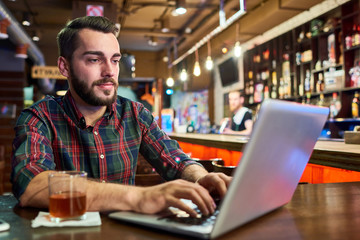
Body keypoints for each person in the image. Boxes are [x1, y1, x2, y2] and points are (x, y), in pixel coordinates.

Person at [11, 16, 231, 217]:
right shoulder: (39, 117)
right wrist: (139, 197)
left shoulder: (136, 114)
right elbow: (32, 186)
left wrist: (201, 177)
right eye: (94, 60)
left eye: (115, 60)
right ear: (64, 66)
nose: (109, 71)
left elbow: (175, 160)